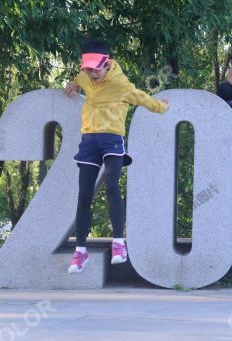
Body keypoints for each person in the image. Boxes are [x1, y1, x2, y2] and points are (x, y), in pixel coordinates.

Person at [64, 41, 169, 274]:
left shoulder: (121, 85)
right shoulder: (84, 77)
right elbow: (79, 81)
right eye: (87, 69)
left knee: (111, 184)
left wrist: (162, 107)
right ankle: (80, 251)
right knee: (84, 194)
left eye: (96, 69)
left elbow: (143, 98)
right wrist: (74, 84)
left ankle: (119, 243)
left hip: (112, 139)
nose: (91, 74)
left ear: (107, 64)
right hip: (89, 141)